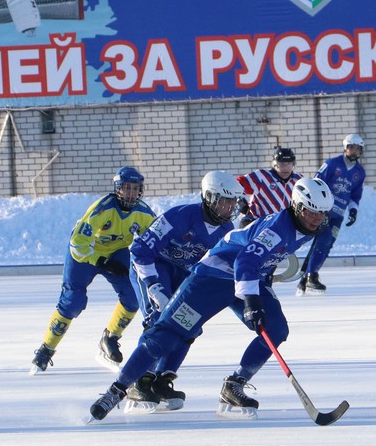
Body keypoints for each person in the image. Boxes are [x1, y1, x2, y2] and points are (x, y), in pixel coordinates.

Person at [89, 177, 335, 421]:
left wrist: (263, 283)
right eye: (310, 212)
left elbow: (260, 258)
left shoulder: (309, 225)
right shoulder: (277, 229)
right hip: (213, 277)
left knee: (276, 329)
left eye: (321, 214)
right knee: (166, 333)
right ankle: (119, 389)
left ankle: (233, 386)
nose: (316, 219)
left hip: (248, 277)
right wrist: (251, 302)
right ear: (296, 206)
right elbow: (245, 260)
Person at [123, 170, 245, 412]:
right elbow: (140, 250)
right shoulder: (179, 216)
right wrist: (154, 286)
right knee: (159, 319)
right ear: (209, 198)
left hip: (186, 275)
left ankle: (162, 379)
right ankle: (140, 379)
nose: (229, 208)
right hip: (155, 267)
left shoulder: (226, 229)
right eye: (224, 201)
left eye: (233, 202)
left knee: (188, 323)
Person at [30, 167, 156, 375]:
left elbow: (155, 243)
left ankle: (110, 338)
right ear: (118, 189)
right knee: (72, 302)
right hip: (85, 254)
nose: (131, 193)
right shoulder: (101, 209)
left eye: (135, 189)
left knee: (133, 297)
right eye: (127, 188)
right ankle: (46, 349)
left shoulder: (144, 214)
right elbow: (77, 242)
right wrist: (102, 263)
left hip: (116, 252)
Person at [296, 134, 367, 295]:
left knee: (327, 244)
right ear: (345, 148)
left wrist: (353, 211)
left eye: (357, 148)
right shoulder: (332, 164)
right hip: (324, 210)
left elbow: (355, 194)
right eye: (351, 148)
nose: (354, 151)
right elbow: (317, 182)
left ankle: (306, 277)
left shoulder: (359, 172)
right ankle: (311, 275)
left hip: (339, 214)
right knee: (322, 240)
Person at [236, 147, 301, 227]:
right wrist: (241, 201)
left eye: (289, 164)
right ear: (275, 164)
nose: (285, 168)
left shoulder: (298, 180)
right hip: (257, 224)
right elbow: (237, 184)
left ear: (293, 164)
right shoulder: (262, 176)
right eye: (282, 164)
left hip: (282, 226)